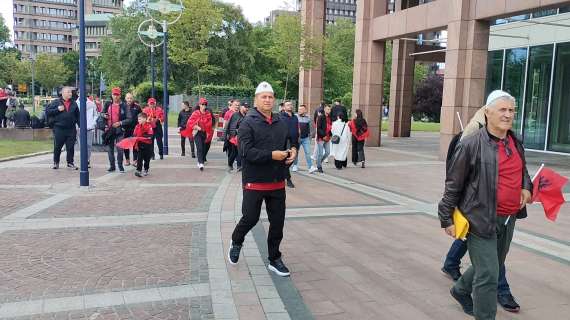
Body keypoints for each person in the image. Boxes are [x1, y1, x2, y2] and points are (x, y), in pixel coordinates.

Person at [439, 90, 532, 319]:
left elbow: (523, 171)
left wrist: (526, 187)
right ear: (487, 112)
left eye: (511, 110)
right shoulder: (471, 144)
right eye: (502, 109)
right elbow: (453, 184)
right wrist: (446, 218)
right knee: (489, 275)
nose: (508, 114)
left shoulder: (515, 141)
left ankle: (460, 290)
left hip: (509, 218)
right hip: (479, 218)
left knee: (493, 264)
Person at [228, 81, 298, 277]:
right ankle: (236, 241)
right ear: (256, 100)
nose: (267, 100)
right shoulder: (247, 122)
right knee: (250, 218)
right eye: (263, 96)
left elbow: (290, 141)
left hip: (277, 181)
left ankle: (274, 258)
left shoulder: (280, 121)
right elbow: (245, 152)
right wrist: (271, 155)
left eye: (270, 97)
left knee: (278, 222)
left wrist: (292, 151)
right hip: (254, 181)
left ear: (274, 100)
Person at [46, 86, 80, 170]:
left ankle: (70, 163)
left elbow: (78, 116)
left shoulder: (74, 103)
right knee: (57, 146)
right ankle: (56, 162)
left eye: (71, 92)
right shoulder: (56, 102)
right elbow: (48, 112)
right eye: (68, 92)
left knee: (70, 147)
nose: (70, 94)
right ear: (63, 93)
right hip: (59, 128)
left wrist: (80, 126)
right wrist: (57, 109)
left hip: (71, 129)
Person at [102, 87, 132, 173]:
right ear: (111, 95)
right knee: (110, 149)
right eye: (114, 94)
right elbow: (102, 113)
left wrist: (120, 123)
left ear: (120, 95)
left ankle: (120, 165)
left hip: (119, 130)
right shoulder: (108, 104)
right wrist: (104, 115)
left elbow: (129, 118)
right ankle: (112, 166)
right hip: (109, 129)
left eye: (117, 95)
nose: (115, 96)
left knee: (120, 149)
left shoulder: (124, 105)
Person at [185, 98, 214, 171]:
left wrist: (205, 128)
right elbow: (190, 122)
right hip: (197, 133)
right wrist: (196, 126)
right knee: (199, 147)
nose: (204, 106)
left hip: (205, 133)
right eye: (202, 104)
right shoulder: (196, 113)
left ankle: (201, 161)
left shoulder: (208, 113)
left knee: (204, 148)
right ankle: (200, 163)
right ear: (199, 105)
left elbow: (209, 123)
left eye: (205, 104)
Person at [225, 102, 249, 172]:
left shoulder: (247, 116)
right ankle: (230, 165)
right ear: (241, 107)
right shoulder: (235, 115)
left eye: (247, 107)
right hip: (235, 138)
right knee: (234, 153)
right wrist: (235, 133)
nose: (247, 108)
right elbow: (231, 126)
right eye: (245, 107)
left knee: (240, 152)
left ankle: (239, 166)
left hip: (243, 138)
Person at [280, 101, 299, 188]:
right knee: (289, 159)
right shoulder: (281, 117)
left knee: (293, 159)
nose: (290, 106)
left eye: (291, 105)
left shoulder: (295, 117)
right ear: (283, 107)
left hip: (295, 141)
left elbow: (296, 127)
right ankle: (288, 179)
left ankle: (281, 173)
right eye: (288, 105)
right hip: (286, 141)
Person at [76, 94, 98, 167]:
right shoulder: (76, 104)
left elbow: (95, 115)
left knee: (89, 145)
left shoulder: (91, 104)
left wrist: (93, 123)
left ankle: (87, 159)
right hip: (79, 128)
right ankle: (83, 160)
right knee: (81, 145)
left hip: (89, 127)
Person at [293, 104, 316, 173]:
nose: (300, 110)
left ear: (305, 110)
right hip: (297, 138)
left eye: (301, 109)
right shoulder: (295, 117)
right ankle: (295, 165)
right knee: (296, 152)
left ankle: (310, 167)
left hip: (306, 138)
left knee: (308, 153)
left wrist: (310, 137)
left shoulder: (308, 118)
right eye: (299, 109)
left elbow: (311, 128)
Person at [133, 112, 154, 177]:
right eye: (138, 119)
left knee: (147, 159)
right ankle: (138, 170)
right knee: (139, 158)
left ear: (145, 119)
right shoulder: (137, 126)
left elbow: (150, 135)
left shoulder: (149, 126)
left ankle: (146, 169)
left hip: (147, 145)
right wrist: (134, 137)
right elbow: (134, 134)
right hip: (139, 144)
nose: (138, 120)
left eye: (140, 119)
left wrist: (142, 136)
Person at [124, 93, 142, 166]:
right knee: (126, 145)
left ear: (133, 98)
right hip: (125, 129)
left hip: (135, 129)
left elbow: (141, 117)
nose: (129, 100)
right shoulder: (123, 106)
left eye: (131, 98)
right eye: (128, 98)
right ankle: (127, 160)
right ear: (125, 98)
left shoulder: (137, 107)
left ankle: (135, 160)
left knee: (135, 145)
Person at [315, 105, 332, 173]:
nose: (329, 110)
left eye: (329, 109)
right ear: (324, 109)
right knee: (320, 153)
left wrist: (330, 135)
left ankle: (318, 162)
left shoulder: (330, 118)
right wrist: (323, 136)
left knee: (328, 152)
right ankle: (319, 167)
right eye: (327, 109)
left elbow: (330, 127)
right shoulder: (321, 117)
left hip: (327, 138)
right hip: (321, 138)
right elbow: (318, 128)